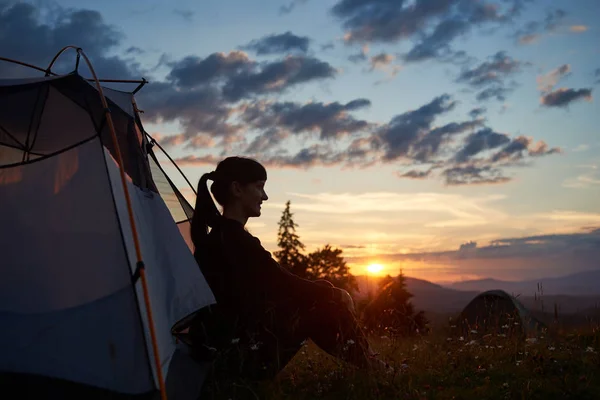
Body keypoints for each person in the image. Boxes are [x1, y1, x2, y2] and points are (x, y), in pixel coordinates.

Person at [188, 156, 388, 381]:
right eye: (259, 187)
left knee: (321, 296)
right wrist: (336, 293)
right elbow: (284, 283)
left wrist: (326, 289)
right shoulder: (236, 241)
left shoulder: (219, 238)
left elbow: (276, 288)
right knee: (326, 304)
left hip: (229, 354)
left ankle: (374, 365)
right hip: (237, 362)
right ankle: (377, 369)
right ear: (237, 189)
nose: (264, 196)